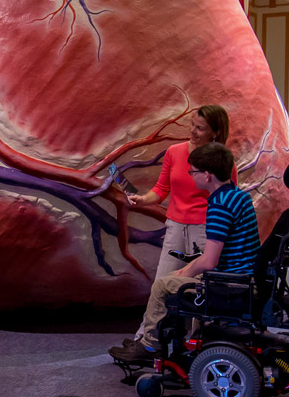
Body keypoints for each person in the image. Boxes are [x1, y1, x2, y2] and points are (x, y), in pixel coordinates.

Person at [109, 142, 259, 362]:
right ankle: (162, 340)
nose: (190, 175)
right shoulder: (239, 197)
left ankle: (150, 346)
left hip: (228, 284)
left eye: (193, 172)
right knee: (175, 277)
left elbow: (209, 261)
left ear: (207, 176)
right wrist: (185, 271)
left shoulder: (219, 207)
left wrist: (184, 273)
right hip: (242, 277)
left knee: (162, 285)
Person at [124, 105, 233, 342]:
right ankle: (147, 338)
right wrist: (143, 199)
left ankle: (195, 342)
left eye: (200, 128)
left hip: (206, 230)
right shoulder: (174, 152)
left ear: (214, 133)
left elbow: (227, 196)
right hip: (175, 226)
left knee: (198, 290)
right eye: (192, 124)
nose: (192, 131)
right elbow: (162, 188)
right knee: (162, 282)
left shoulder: (221, 160)